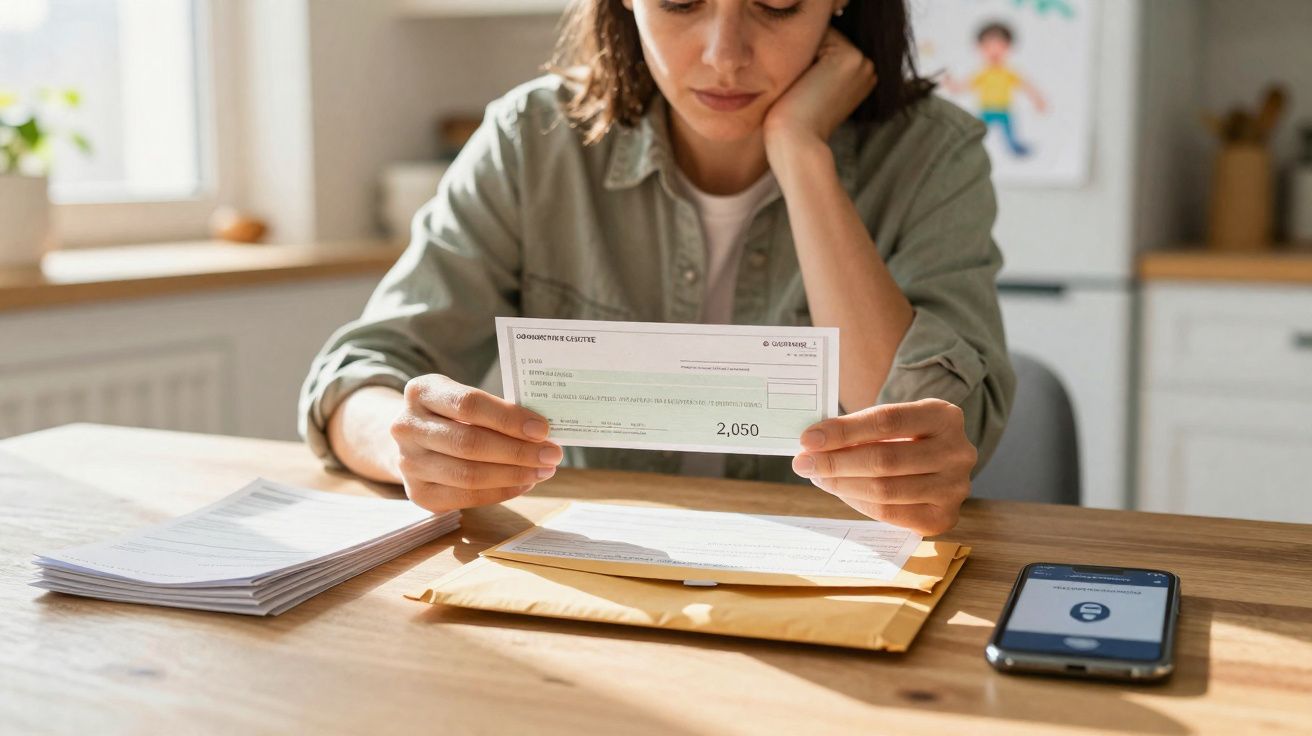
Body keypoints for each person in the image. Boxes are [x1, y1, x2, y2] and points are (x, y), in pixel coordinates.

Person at [299, 0, 1014, 536]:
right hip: (601, 581)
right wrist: (412, 445)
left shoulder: (932, 155)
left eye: (777, 2)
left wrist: (801, 155)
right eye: (680, 0)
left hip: (834, 588)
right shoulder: (532, 140)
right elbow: (357, 376)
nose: (725, 55)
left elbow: (925, 431)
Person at [944, 21, 1047, 157]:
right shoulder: (982, 73)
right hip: (987, 109)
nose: (994, 50)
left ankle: (1016, 149)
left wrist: (1037, 100)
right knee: (976, 131)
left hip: (1004, 109)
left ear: (1008, 47)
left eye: (999, 45)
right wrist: (951, 84)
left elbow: (1026, 86)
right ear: (980, 48)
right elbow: (964, 86)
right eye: (988, 46)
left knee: (1010, 134)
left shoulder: (1009, 72)